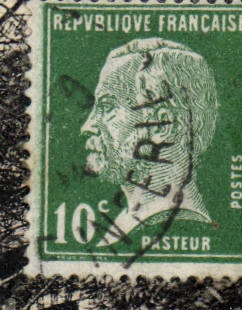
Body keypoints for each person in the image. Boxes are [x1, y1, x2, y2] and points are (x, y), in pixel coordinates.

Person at [80, 37, 218, 246]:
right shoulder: (128, 222)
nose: (87, 127)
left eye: (107, 107)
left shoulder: (177, 223)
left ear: (161, 125)